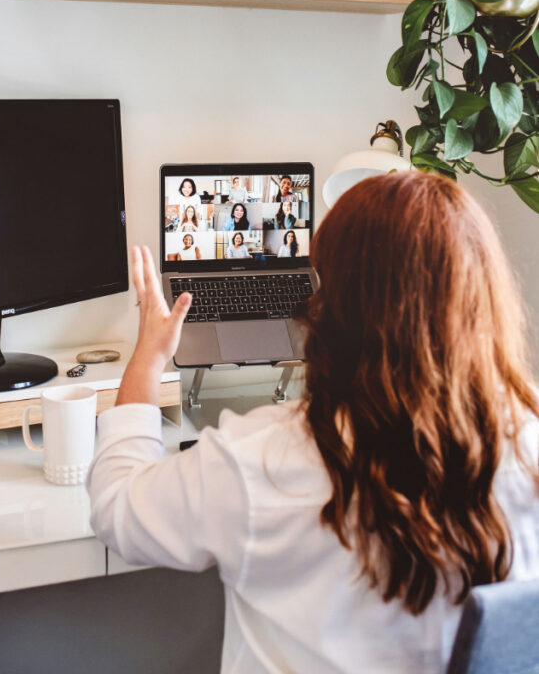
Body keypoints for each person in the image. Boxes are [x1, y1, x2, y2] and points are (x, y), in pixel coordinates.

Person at [88, 173, 539, 674]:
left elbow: (116, 510)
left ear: (334, 305)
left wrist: (150, 356)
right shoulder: (529, 445)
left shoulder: (260, 460)